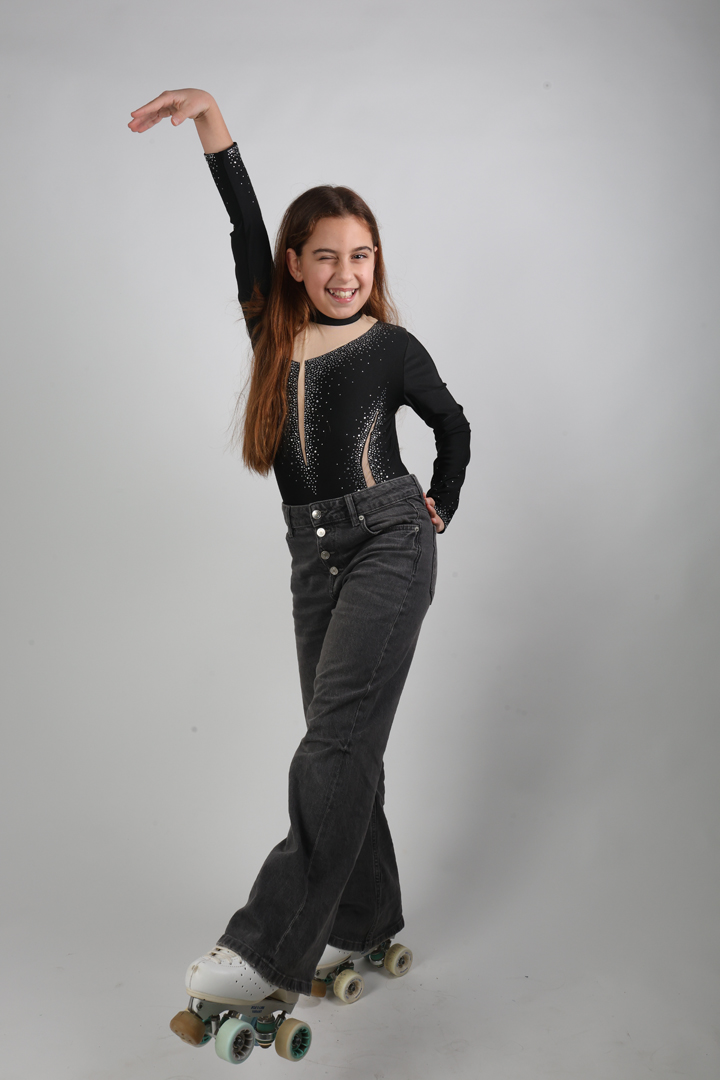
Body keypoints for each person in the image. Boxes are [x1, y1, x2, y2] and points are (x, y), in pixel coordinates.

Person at [128, 89, 471, 1003]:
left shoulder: (393, 347)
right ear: (295, 265)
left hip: (390, 540)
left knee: (331, 747)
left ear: (374, 262)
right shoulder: (272, 331)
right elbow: (243, 221)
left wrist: (439, 504)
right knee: (344, 743)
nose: (346, 272)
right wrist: (211, 121)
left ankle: (266, 946)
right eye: (326, 256)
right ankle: (363, 919)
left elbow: (454, 426)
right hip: (314, 558)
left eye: (361, 255)